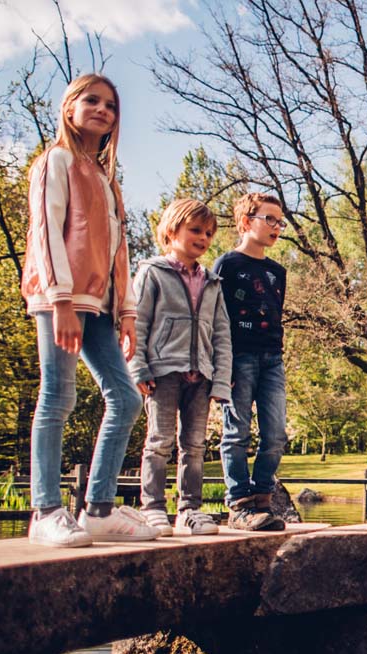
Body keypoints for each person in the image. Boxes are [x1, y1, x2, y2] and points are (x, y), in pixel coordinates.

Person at [21, 74, 160, 547]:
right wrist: (60, 300)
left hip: (102, 304)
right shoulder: (55, 162)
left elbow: (119, 249)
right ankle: (45, 510)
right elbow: (45, 232)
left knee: (126, 398)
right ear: (69, 107)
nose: (102, 109)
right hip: (61, 297)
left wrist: (126, 312)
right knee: (58, 396)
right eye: (92, 101)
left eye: (111, 105)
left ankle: (98, 508)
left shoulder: (106, 180)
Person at [129, 199, 232, 537]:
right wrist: (138, 367)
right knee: (159, 440)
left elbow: (221, 334)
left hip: (200, 375)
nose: (203, 238)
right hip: (162, 371)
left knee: (196, 445)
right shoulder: (153, 273)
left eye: (208, 233)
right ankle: (153, 508)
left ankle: (189, 509)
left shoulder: (212, 282)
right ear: (172, 231)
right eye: (195, 230)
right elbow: (137, 323)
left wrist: (221, 380)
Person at [213, 193, 289, 531]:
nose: (276, 227)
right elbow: (216, 318)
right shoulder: (227, 265)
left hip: (272, 359)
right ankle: (239, 504)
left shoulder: (277, 272)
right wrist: (221, 364)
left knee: (275, 434)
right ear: (246, 222)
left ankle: (263, 500)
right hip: (238, 357)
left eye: (280, 222)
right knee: (236, 432)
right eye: (269, 219)